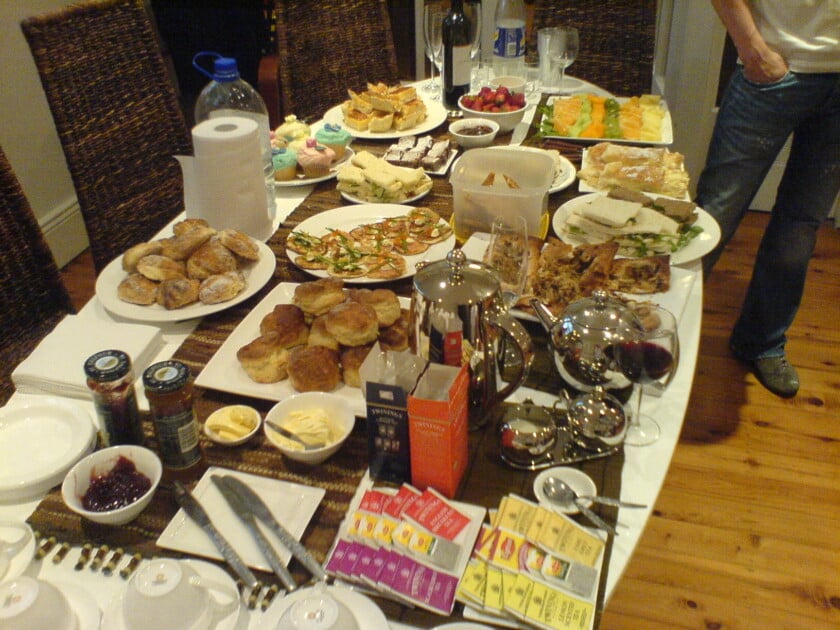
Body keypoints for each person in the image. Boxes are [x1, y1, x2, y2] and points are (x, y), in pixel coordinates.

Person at [696, 0, 840, 398]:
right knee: (714, 213)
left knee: (802, 224)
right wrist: (752, 48)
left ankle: (760, 341)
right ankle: (656, 329)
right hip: (774, 71)